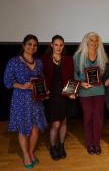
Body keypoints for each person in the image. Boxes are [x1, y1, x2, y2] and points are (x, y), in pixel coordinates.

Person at [3, 34, 47, 169]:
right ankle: (26, 154)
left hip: (36, 100)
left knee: (35, 128)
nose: (32, 47)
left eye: (34, 45)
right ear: (23, 45)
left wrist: (44, 90)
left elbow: (41, 79)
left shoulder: (39, 62)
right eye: (29, 44)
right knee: (23, 128)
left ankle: (31, 152)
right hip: (21, 100)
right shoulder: (14, 61)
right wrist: (22, 86)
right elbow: (7, 82)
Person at [73, 32, 108, 155]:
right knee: (88, 118)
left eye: (96, 41)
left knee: (98, 118)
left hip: (99, 91)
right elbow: (74, 75)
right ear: (86, 41)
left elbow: (105, 74)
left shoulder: (102, 56)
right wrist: (81, 83)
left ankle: (96, 144)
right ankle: (89, 144)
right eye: (91, 40)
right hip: (85, 91)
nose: (94, 43)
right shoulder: (78, 56)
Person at [41, 35, 75, 160]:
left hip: (65, 94)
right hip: (52, 94)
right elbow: (40, 77)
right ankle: (53, 147)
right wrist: (43, 91)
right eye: (56, 44)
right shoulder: (44, 59)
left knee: (64, 121)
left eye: (61, 45)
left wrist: (72, 92)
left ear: (63, 46)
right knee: (55, 123)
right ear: (51, 45)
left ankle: (61, 145)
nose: (58, 47)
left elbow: (71, 77)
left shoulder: (68, 59)